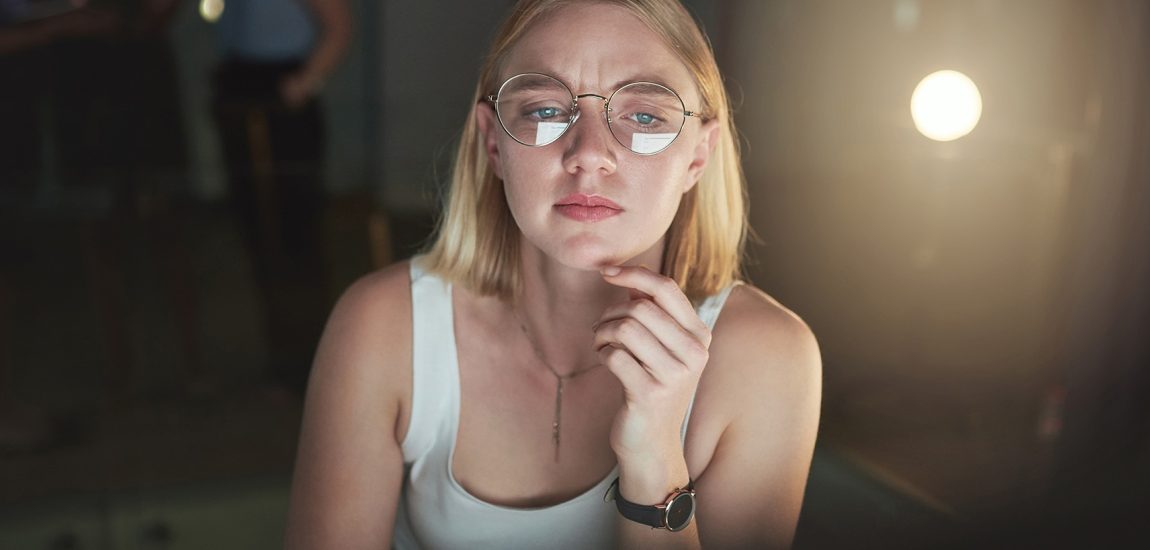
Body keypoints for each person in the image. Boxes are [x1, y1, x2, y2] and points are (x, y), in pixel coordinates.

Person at [284, 1, 821, 548]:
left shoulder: (767, 357)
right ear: (494, 143)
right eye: (544, 110)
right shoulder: (384, 325)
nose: (589, 155)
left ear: (698, 158)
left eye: (644, 116)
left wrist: (654, 456)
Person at [210, 0, 352, 397]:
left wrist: (304, 82)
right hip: (240, 84)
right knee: (257, 227)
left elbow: (338, 27)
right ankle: (281, 352)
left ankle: (312, 357)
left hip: (281, 93)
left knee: (295, 229)